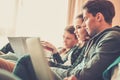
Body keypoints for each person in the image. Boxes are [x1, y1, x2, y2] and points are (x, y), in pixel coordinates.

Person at [13, 13, 90, 80]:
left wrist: (49, 62)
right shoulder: (77, 47)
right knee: (22, 58)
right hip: (61, 71)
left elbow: (71, 68)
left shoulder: (85, 47)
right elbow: (64, 64)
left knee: (26, 59)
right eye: (63, 37)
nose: (75, 31)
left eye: (79, 27)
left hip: (63, 74)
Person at [63, 0, 120, 80]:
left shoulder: (112, 38)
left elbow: (87, 73)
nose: (83, 24)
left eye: (85, 19)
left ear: (98, 17)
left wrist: (61, 72)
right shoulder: (95, 39)